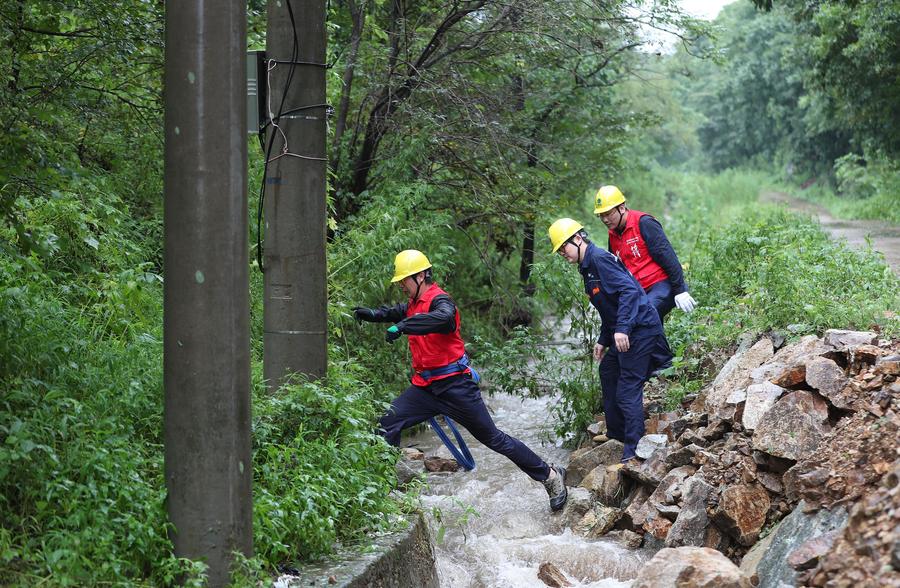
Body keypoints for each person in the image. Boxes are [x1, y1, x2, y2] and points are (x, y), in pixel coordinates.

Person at [353, 249, 568, 511]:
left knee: (494, 439)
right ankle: (382, 491)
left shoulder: (442, 303)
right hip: (425, 389)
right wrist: (373, 315)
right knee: (387, 424)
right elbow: (394, 312)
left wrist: (403, 326)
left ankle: (550, 476)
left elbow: (439, 319)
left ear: (421, 276)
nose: (401, 286)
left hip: (456, 387)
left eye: (404, 280)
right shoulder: (413, 304)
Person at [548, 219, 672, 463]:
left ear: (577, 239)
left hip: (641, 328)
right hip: (626, 329)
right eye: (559, 250)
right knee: (608, 370)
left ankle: (633, 450)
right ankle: (615, 432)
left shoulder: (600, 259)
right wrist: (604, 339)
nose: (563, 253)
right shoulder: (587, 267)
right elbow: (609, 306)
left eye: (564, 247)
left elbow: (628, 291)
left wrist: (623, 329)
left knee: (628, 387)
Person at [594, 185, 697, 322]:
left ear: (622, 208)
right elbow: (618, 271)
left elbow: (669, 257)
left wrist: (680, 291)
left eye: (608, 214)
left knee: (644, 314)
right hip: (639, 291)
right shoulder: (612, 235)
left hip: (661, 284)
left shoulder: (644, 223)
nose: (605, 220)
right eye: (601, 216)